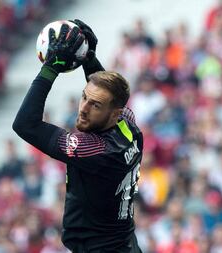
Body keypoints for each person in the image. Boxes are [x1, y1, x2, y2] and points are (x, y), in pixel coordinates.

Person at [13, 20, 143, 253]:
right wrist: (88, 58)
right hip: (123, 245)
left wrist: (50, 68)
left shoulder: (93, 149)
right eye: (84, 97)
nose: (82, 109)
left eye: (94, 105)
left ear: (113, 114)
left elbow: (25, 124)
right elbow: (105, 94)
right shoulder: (129, 128)